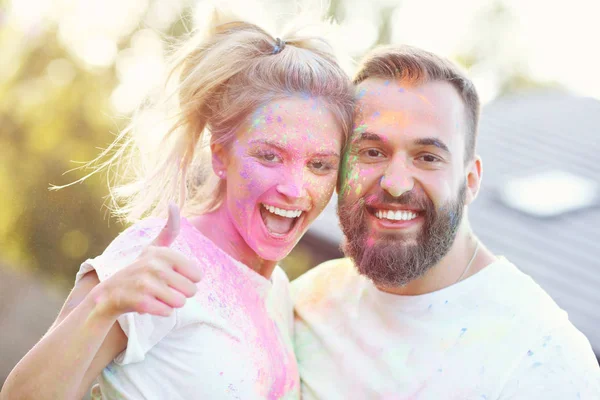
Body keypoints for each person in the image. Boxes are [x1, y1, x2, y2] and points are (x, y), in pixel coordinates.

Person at [2, 11, 354, 400]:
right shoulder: (158, 259)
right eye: (269, 156)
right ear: (220, 155)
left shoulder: (279, 291)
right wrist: (104, 303)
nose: (294, 188)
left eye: (319, 165)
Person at [292, 45, 600, 399]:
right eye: (372, 152)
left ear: (470, 180)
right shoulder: (305, 305)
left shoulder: (542, 360)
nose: (395, 182)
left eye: (427, 157)